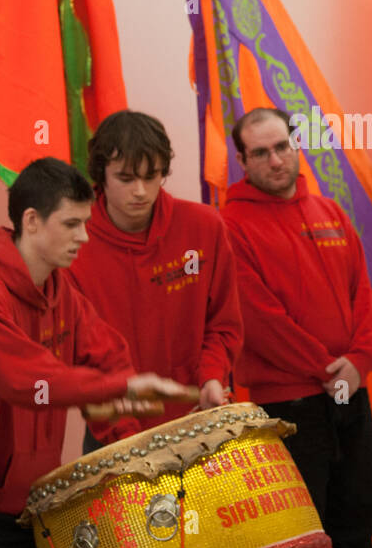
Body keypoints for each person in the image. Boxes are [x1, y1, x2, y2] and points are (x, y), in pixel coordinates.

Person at [0, 157, 188, 548]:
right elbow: (28, 381)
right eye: (71, 224)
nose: (84, 237)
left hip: (27, 493)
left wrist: (132, 448)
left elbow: (108, 357)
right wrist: (122, 388)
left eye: (85, 223)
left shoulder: (60, 291)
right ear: (32, 220)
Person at [221, 107, 372, 548]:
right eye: (260, 152)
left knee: (358, 520)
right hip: (287, 405)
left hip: (351, 392)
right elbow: (258, 321)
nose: (275, 161)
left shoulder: (330, 211)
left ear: (296, 145)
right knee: (305, 536)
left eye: (282, 147)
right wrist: (328, 370)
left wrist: (361, 361)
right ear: (243, 160)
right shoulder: (230, 226)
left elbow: (363, 297)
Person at [68, 110, 242, 451]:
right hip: (116, 437)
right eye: (126, 178)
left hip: (199, 418)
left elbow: (223, 324)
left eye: (153, 176)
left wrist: (211, 376)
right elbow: (81, 363)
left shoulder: (205, 226)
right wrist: (129, 438)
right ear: (100, 174)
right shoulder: (72, 246)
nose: (140, 191)